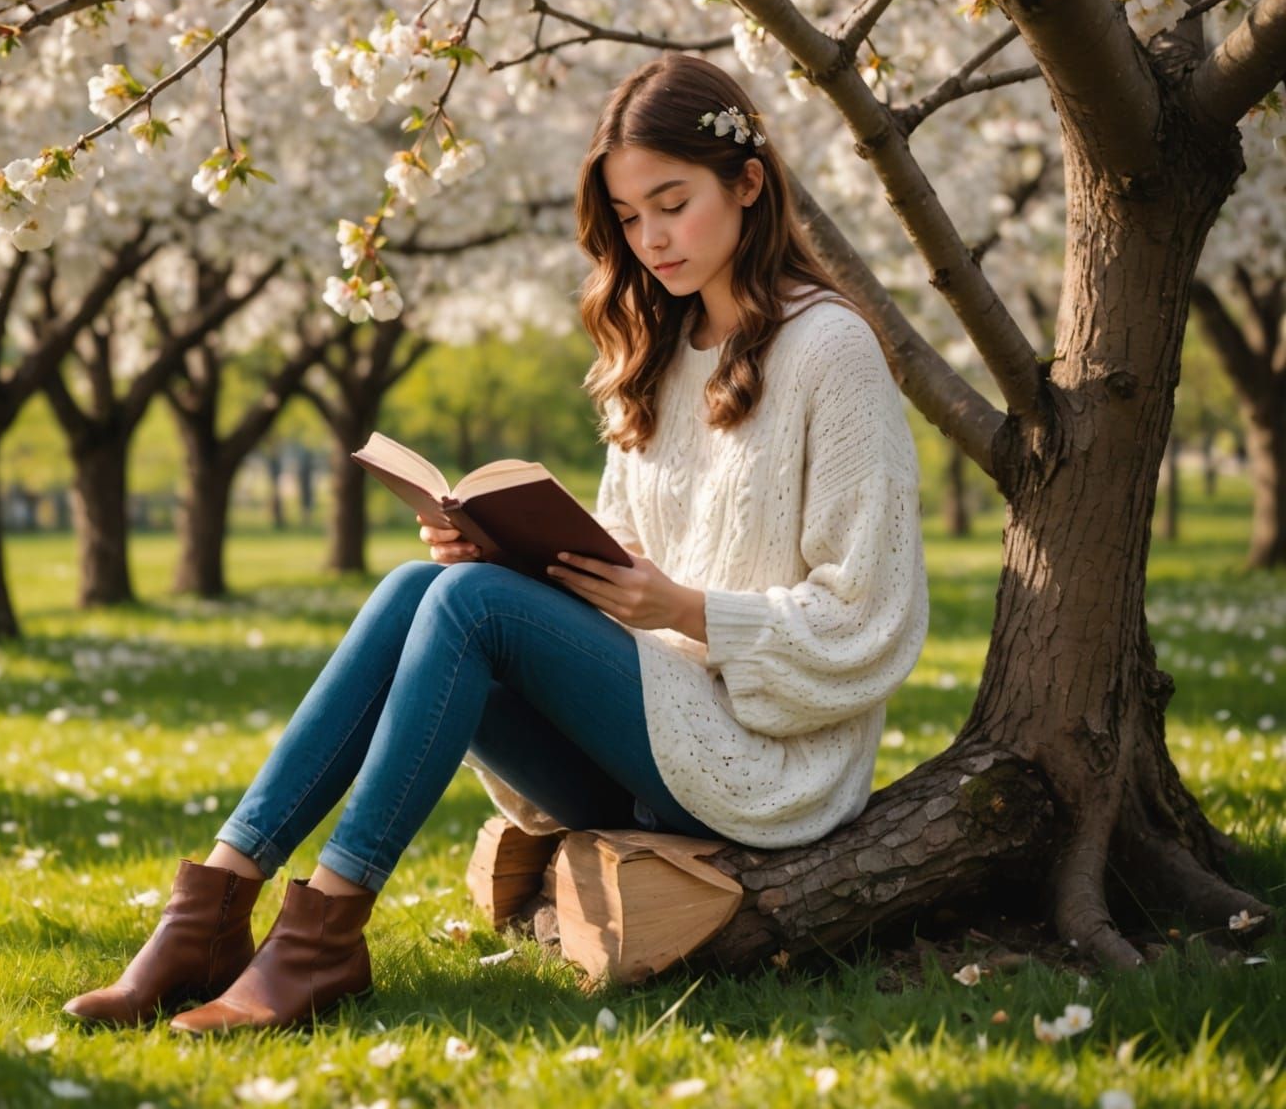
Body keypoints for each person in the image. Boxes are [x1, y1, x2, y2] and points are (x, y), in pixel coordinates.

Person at [62, 52, 929, 1035]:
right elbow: (621, 561)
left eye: (671, 203)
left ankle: (324, 939)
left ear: (748, 183)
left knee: (466, 608)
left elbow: (870, 616)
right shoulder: (655, 352)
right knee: (414, 589)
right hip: (645, 741)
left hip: (765, 769)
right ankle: (213, 907)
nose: (650, 239)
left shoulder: (831, 350)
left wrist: (683, 610)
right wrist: (515, 556)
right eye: (629, 217)